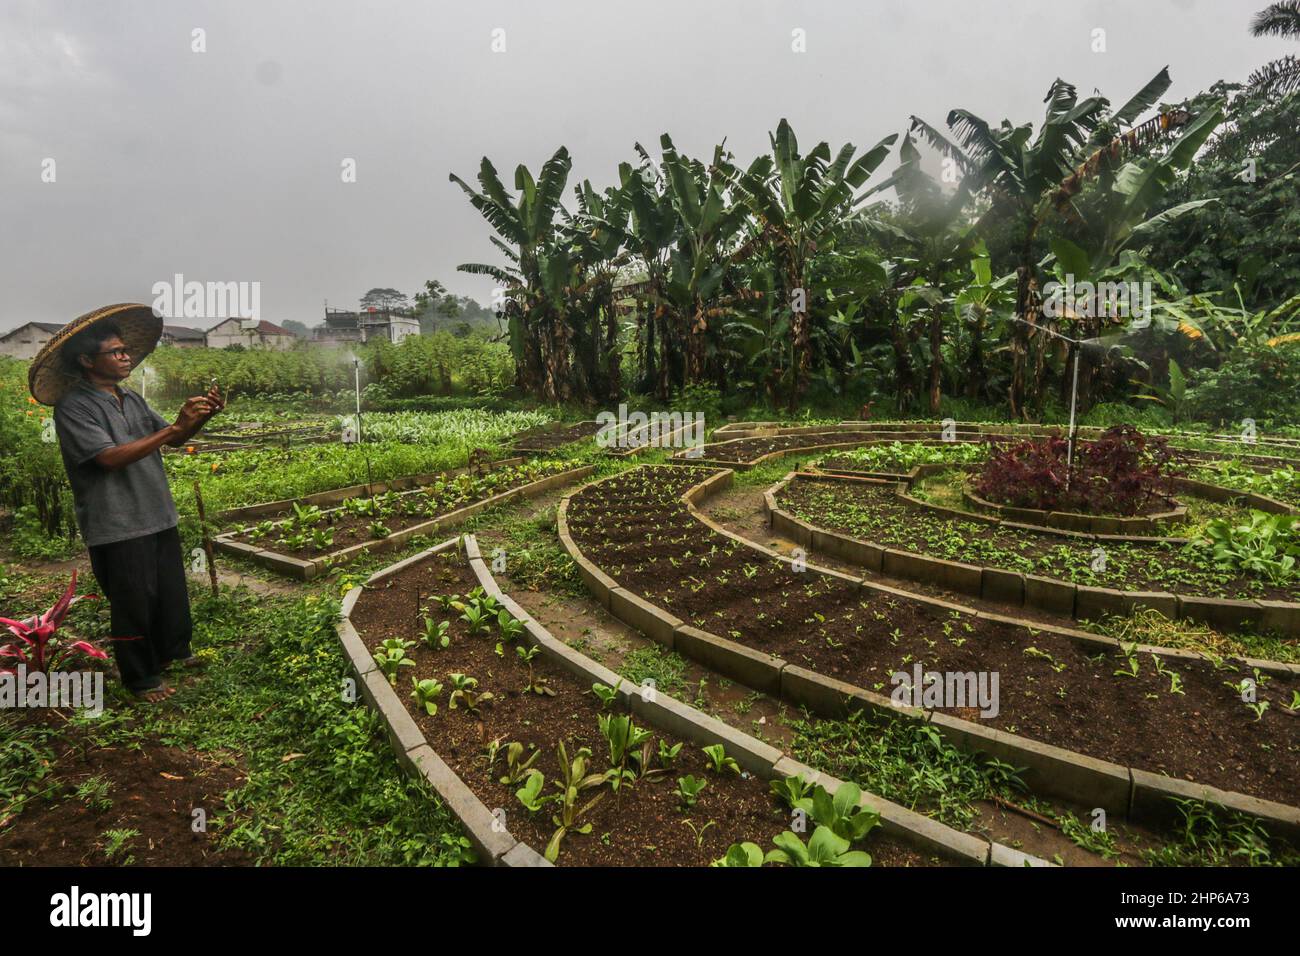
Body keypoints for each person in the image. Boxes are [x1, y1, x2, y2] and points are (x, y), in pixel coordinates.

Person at [28, 304, 225, 703]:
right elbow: (108, 458)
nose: (125, 356)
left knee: (169, 591)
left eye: (125, 351)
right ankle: (140, 678)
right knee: (133, 599)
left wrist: (198, 418)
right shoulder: (75, 407)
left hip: (156, 510)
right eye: (115, 351)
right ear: (86, 360)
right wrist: (173, 427)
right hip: (117, 521)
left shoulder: (129, 398)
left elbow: (173, 438)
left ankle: (173, 653)